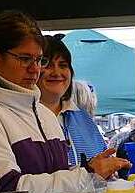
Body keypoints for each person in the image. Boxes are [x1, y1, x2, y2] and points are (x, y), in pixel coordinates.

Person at [0, 11, 129, 193]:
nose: (35, 68)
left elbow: (55, 178)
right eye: (25, 59)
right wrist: (86, 177)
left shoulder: (44, 114)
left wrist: (90, 170)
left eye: (38, 60)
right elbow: (7, 191)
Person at [37, 34, 106, 166]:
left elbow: (103, 161)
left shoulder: (83, 118)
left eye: (63, 65)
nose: (57, 73)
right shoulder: (24, 118)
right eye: (48, 65)